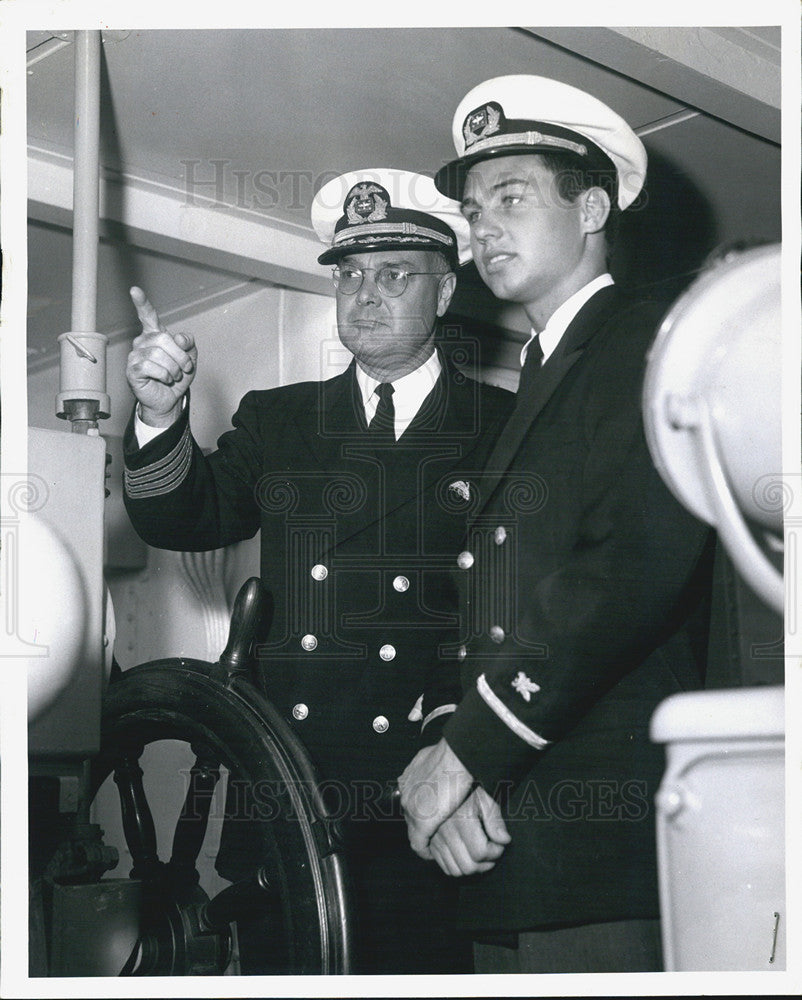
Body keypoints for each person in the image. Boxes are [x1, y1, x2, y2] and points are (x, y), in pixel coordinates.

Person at [122, 167, 513, 974]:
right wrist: (160, 415)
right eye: (349, 275)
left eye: (393, 275)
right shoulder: (282, 418)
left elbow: (514, 620)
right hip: (287, 798)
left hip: (425, 794)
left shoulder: (503, 426)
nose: (364, 295)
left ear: (444, 294)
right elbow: (181, 515)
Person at [398, 76, 715, 973]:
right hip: (510, 851)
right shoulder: (536, 382)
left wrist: (468, 757)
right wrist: (453, 766)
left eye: (510, 197)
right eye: (471, 209)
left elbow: (630, 568)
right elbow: (477, 616)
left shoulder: (650, 339)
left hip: (602, 855)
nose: (481, 227)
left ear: (594, 207)